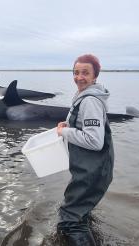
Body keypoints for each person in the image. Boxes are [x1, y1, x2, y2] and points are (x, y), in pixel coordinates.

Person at [56, 54, 114, 245]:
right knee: (80, 212)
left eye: (85, 73)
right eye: (76, 72)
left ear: (95, 76)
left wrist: (65, 133)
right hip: (89, 169)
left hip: (93, 171)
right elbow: (87, 126)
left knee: (70, 219)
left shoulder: (90, 100)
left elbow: (94, 141)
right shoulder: (85, 95)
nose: (79, 77)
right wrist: (68, 124)